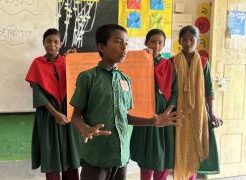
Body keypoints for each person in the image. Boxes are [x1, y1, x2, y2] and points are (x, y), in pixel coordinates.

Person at [69, 24, 182, 180]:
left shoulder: (125, 80)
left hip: (121, 156)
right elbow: (75, 116)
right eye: (118, 42)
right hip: (97, 156)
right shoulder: (88, 77)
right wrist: (84, 128)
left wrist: (152, 121)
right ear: (101, 46)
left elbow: (125, 117)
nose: (124, 47)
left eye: (126, 43)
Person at [25, 28, 81, 180]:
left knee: (70, 157)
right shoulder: (37, 63)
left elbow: (77, 84)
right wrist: (56, 114)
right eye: (48, 41)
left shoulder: (67, 62)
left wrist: (74, 62)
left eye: (56, 41)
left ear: (61, 43)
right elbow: (38, 94)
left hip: (67, 114)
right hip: (48, 115)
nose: (52, 44)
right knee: (51, 157)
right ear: (43, 43)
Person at [172, 25, 223, 180]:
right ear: (179, 41)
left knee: (195, 145)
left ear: (198, 41)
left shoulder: (203, 63)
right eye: (184, 39)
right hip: (178, 111)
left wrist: (212, 112)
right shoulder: (172, 62)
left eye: (191, 40)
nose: (188, 43)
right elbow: (169, 88)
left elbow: (209, 90)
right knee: (179, 148)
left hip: (198, 112)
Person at [130, 29, 177, 180]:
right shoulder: (138, 62)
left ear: (163, 45)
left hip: (164, 111)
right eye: (153, 41)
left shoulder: (169, 65)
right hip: (144, 112)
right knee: (146, 152)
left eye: (160, 42)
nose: (156, 45)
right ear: (146, 43)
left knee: (163, 153)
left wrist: (167, 112)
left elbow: (175, 91)